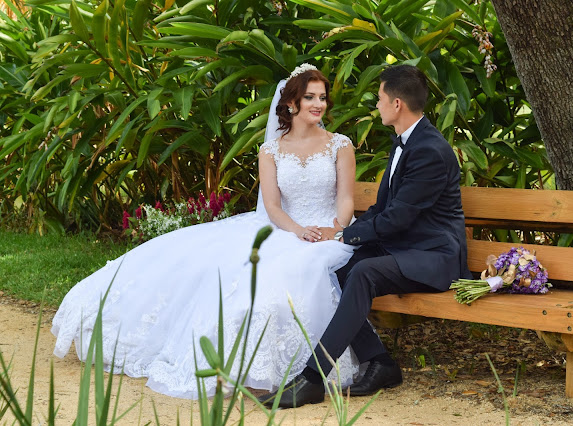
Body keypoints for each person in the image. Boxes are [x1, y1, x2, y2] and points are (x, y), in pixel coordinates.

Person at [51, 64, 361, 399]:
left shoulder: (339, 145)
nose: (318, 104)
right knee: (202, 267)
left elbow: (346, 199)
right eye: (309, 97)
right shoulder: (271, 150)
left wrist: (334, 230)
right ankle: (236, 366)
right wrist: (298, 230)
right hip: (285, 229)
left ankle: (279, 369)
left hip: (331, 233)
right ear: (290, 103)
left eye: (322, 98)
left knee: (285, 281)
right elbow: (272, 206)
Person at [260, 64, 472, 408]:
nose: (377, 105)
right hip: (406, 249)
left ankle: (313, 378)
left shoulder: (429, 151)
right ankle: (382, 364)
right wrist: (344, 234)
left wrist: (344, 237)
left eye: (380, 98)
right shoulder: (406, 142)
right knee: (339, 270)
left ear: (397, 104)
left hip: (435, 258)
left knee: (363, 271)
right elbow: (384, 208)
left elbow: (399, 218)